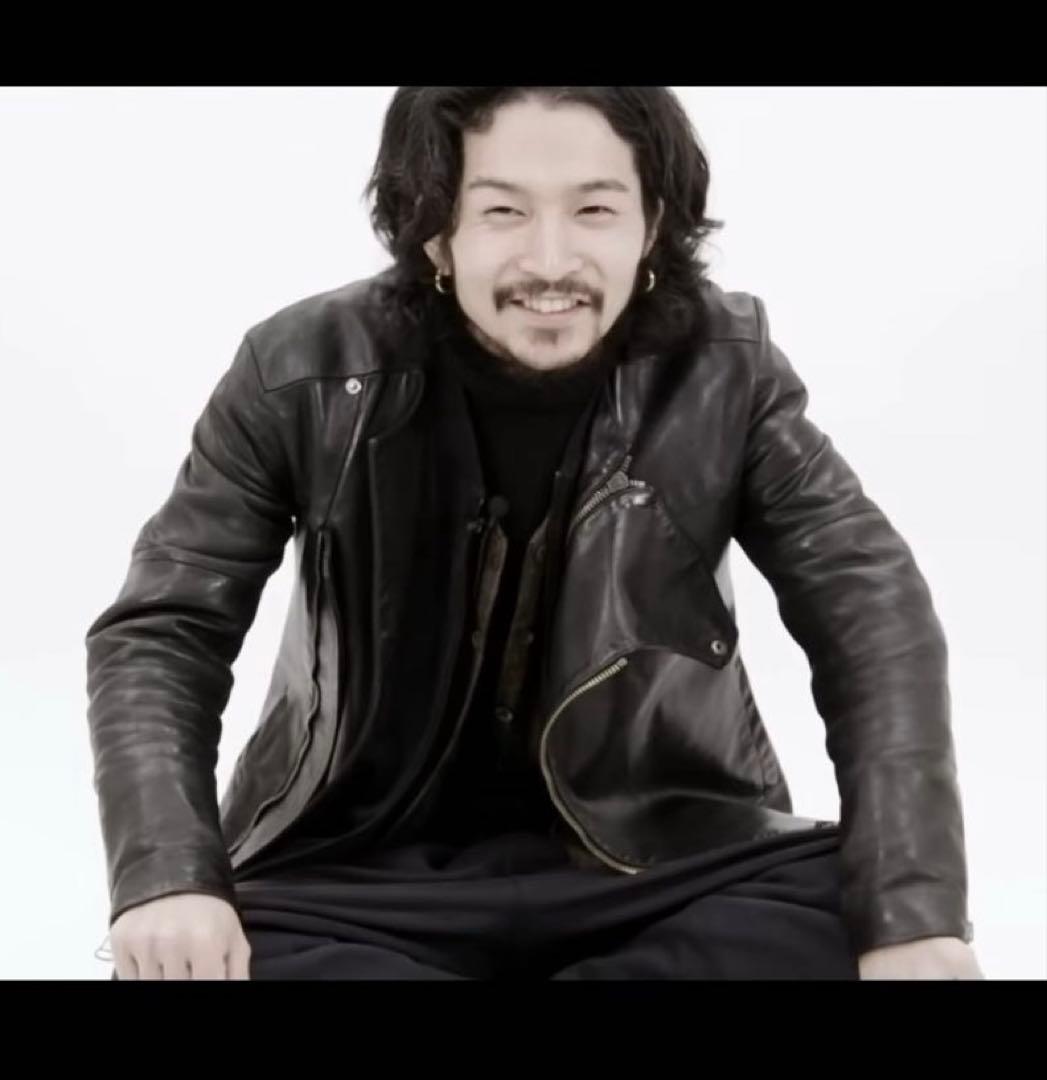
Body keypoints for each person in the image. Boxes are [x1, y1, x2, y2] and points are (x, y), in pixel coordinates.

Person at [85, 86, 983, 980]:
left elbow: (870, 611)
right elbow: (165, 629)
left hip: (658, 862)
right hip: (356, 869)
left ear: (651, 222)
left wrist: (911, 915)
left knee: (840, 908)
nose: (551, 262)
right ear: (433, 228)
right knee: (212, 950)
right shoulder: (299, 368)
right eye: (502, 211)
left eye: (594, 209)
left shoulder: (723, 368)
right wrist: (167, 879)